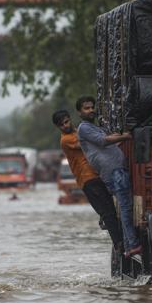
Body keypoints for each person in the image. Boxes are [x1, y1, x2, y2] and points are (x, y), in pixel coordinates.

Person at [76, 96, 141, 257]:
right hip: (114, 172)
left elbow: (109, 143)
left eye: (92, 107)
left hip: (116, 170)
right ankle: (132, 245)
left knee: (126, 208)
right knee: (125, 209)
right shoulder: (84, 128)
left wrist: (120, 140)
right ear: (79, 112)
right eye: (86, 108)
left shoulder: (93, 127)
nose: (91, 110)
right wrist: (125, 136)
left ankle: (128, 244)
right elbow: (104, 141)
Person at [52, 109, 124, 253]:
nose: (65, 126)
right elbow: (91, 142)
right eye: (62, 125)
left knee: (110, 210)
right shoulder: (66, 140)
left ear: (70, 119)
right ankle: (119, 245)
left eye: (66, 122)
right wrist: (119, 137)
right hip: (88, 179)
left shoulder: (78, 132)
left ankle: (118, 239)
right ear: (58, 127)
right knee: (108, 212)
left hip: (98, 175)